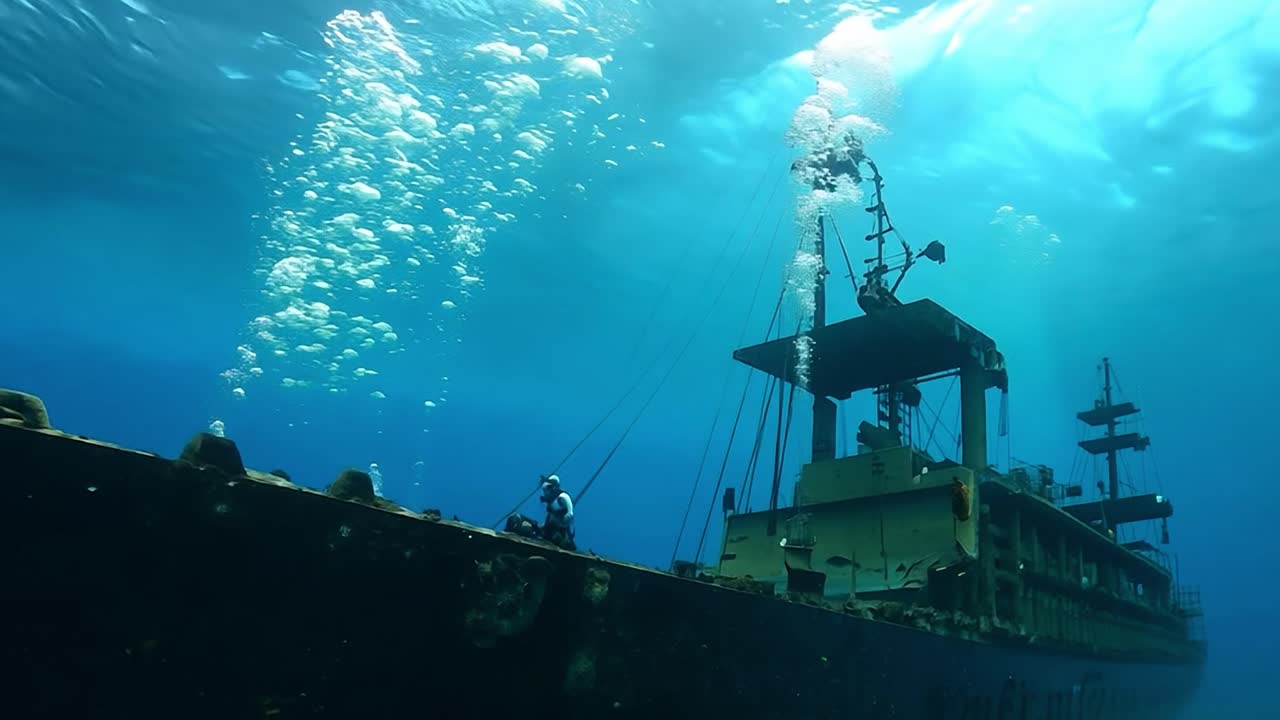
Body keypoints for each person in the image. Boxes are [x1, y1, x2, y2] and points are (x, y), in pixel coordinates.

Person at [539, 474, 576, 551]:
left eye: (547, 489)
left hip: (560, 531)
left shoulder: (562, 497)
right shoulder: (551, 504)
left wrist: (568, 515)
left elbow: (570, 514)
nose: (545, 492)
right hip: (551, 529)